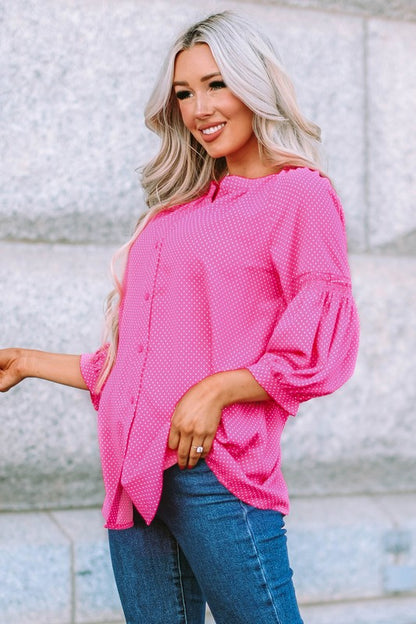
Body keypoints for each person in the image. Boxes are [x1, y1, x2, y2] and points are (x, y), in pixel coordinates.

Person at [0, 11, 359, 624]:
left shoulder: (299, 195)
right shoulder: (177, 213)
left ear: (255, 85)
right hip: (131, 474)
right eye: (185, 93)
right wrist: (25, 361)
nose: (200, 108)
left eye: (216, 84)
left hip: (215, 472)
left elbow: (322, 347)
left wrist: (218, 390)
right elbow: (138, 365)